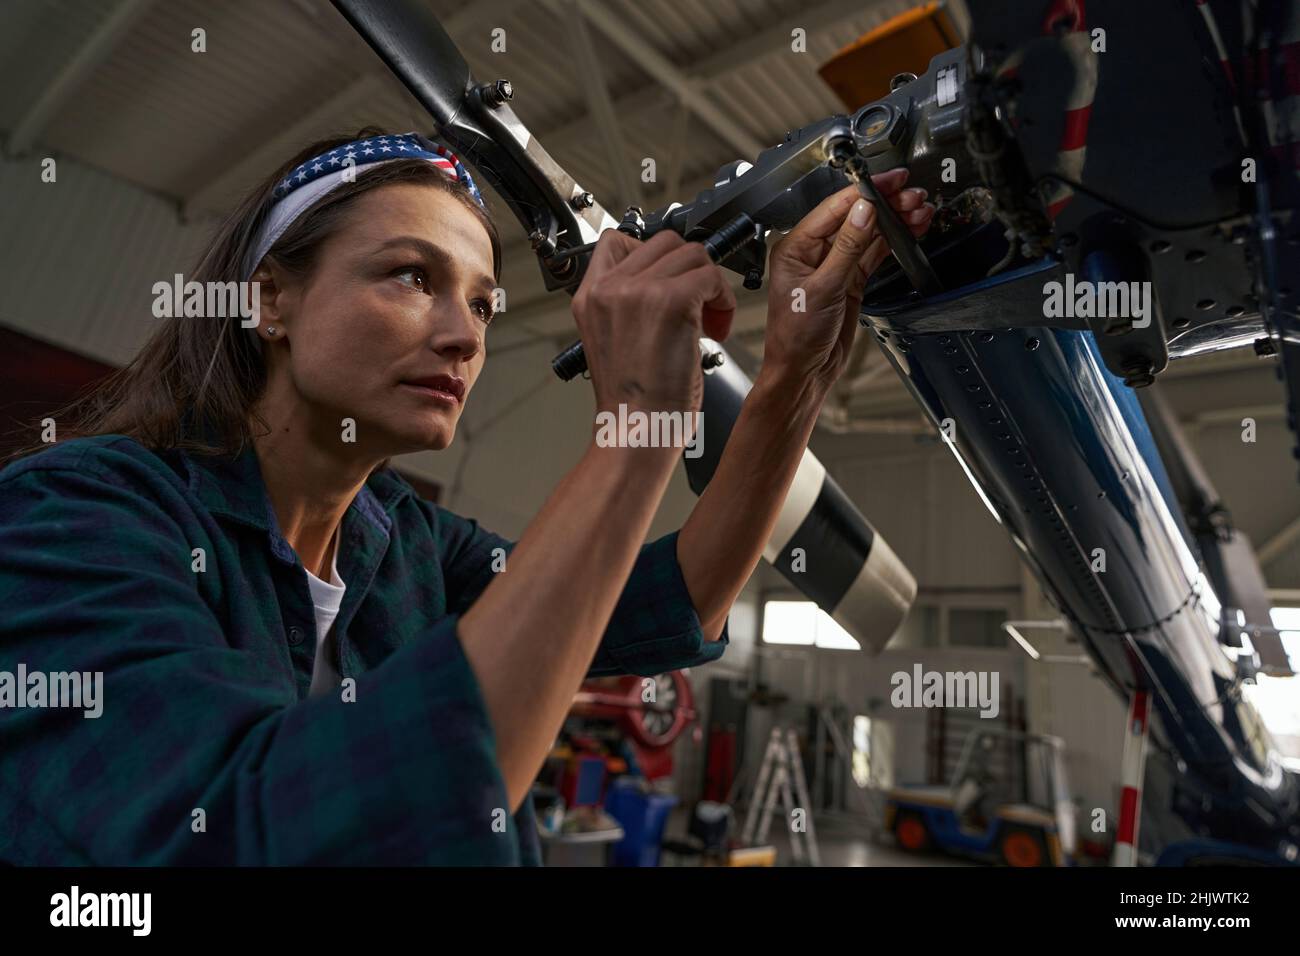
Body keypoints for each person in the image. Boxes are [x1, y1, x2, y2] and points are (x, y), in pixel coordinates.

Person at [0, 127, 932, 864]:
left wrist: (794, 375)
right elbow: (253, 832)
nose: (464, 336)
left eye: (484, 305)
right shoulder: (74, 520)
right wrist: (638, 421)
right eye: (413, 277)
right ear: (269, 301)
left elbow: (680, 595)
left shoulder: (402, 542)